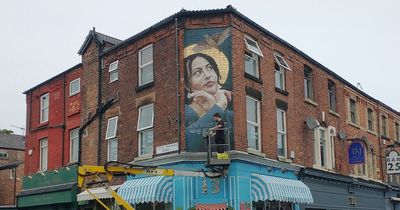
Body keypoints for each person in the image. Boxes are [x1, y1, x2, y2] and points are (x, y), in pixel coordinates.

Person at [184, 53, 233, 152]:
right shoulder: (184, 112)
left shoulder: (228, 114)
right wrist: (219, 105)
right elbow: (188, 142)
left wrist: (214, 107)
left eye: (209, 68)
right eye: (197, 72)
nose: (208, 75)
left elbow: (235, 140)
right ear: (187, 85)